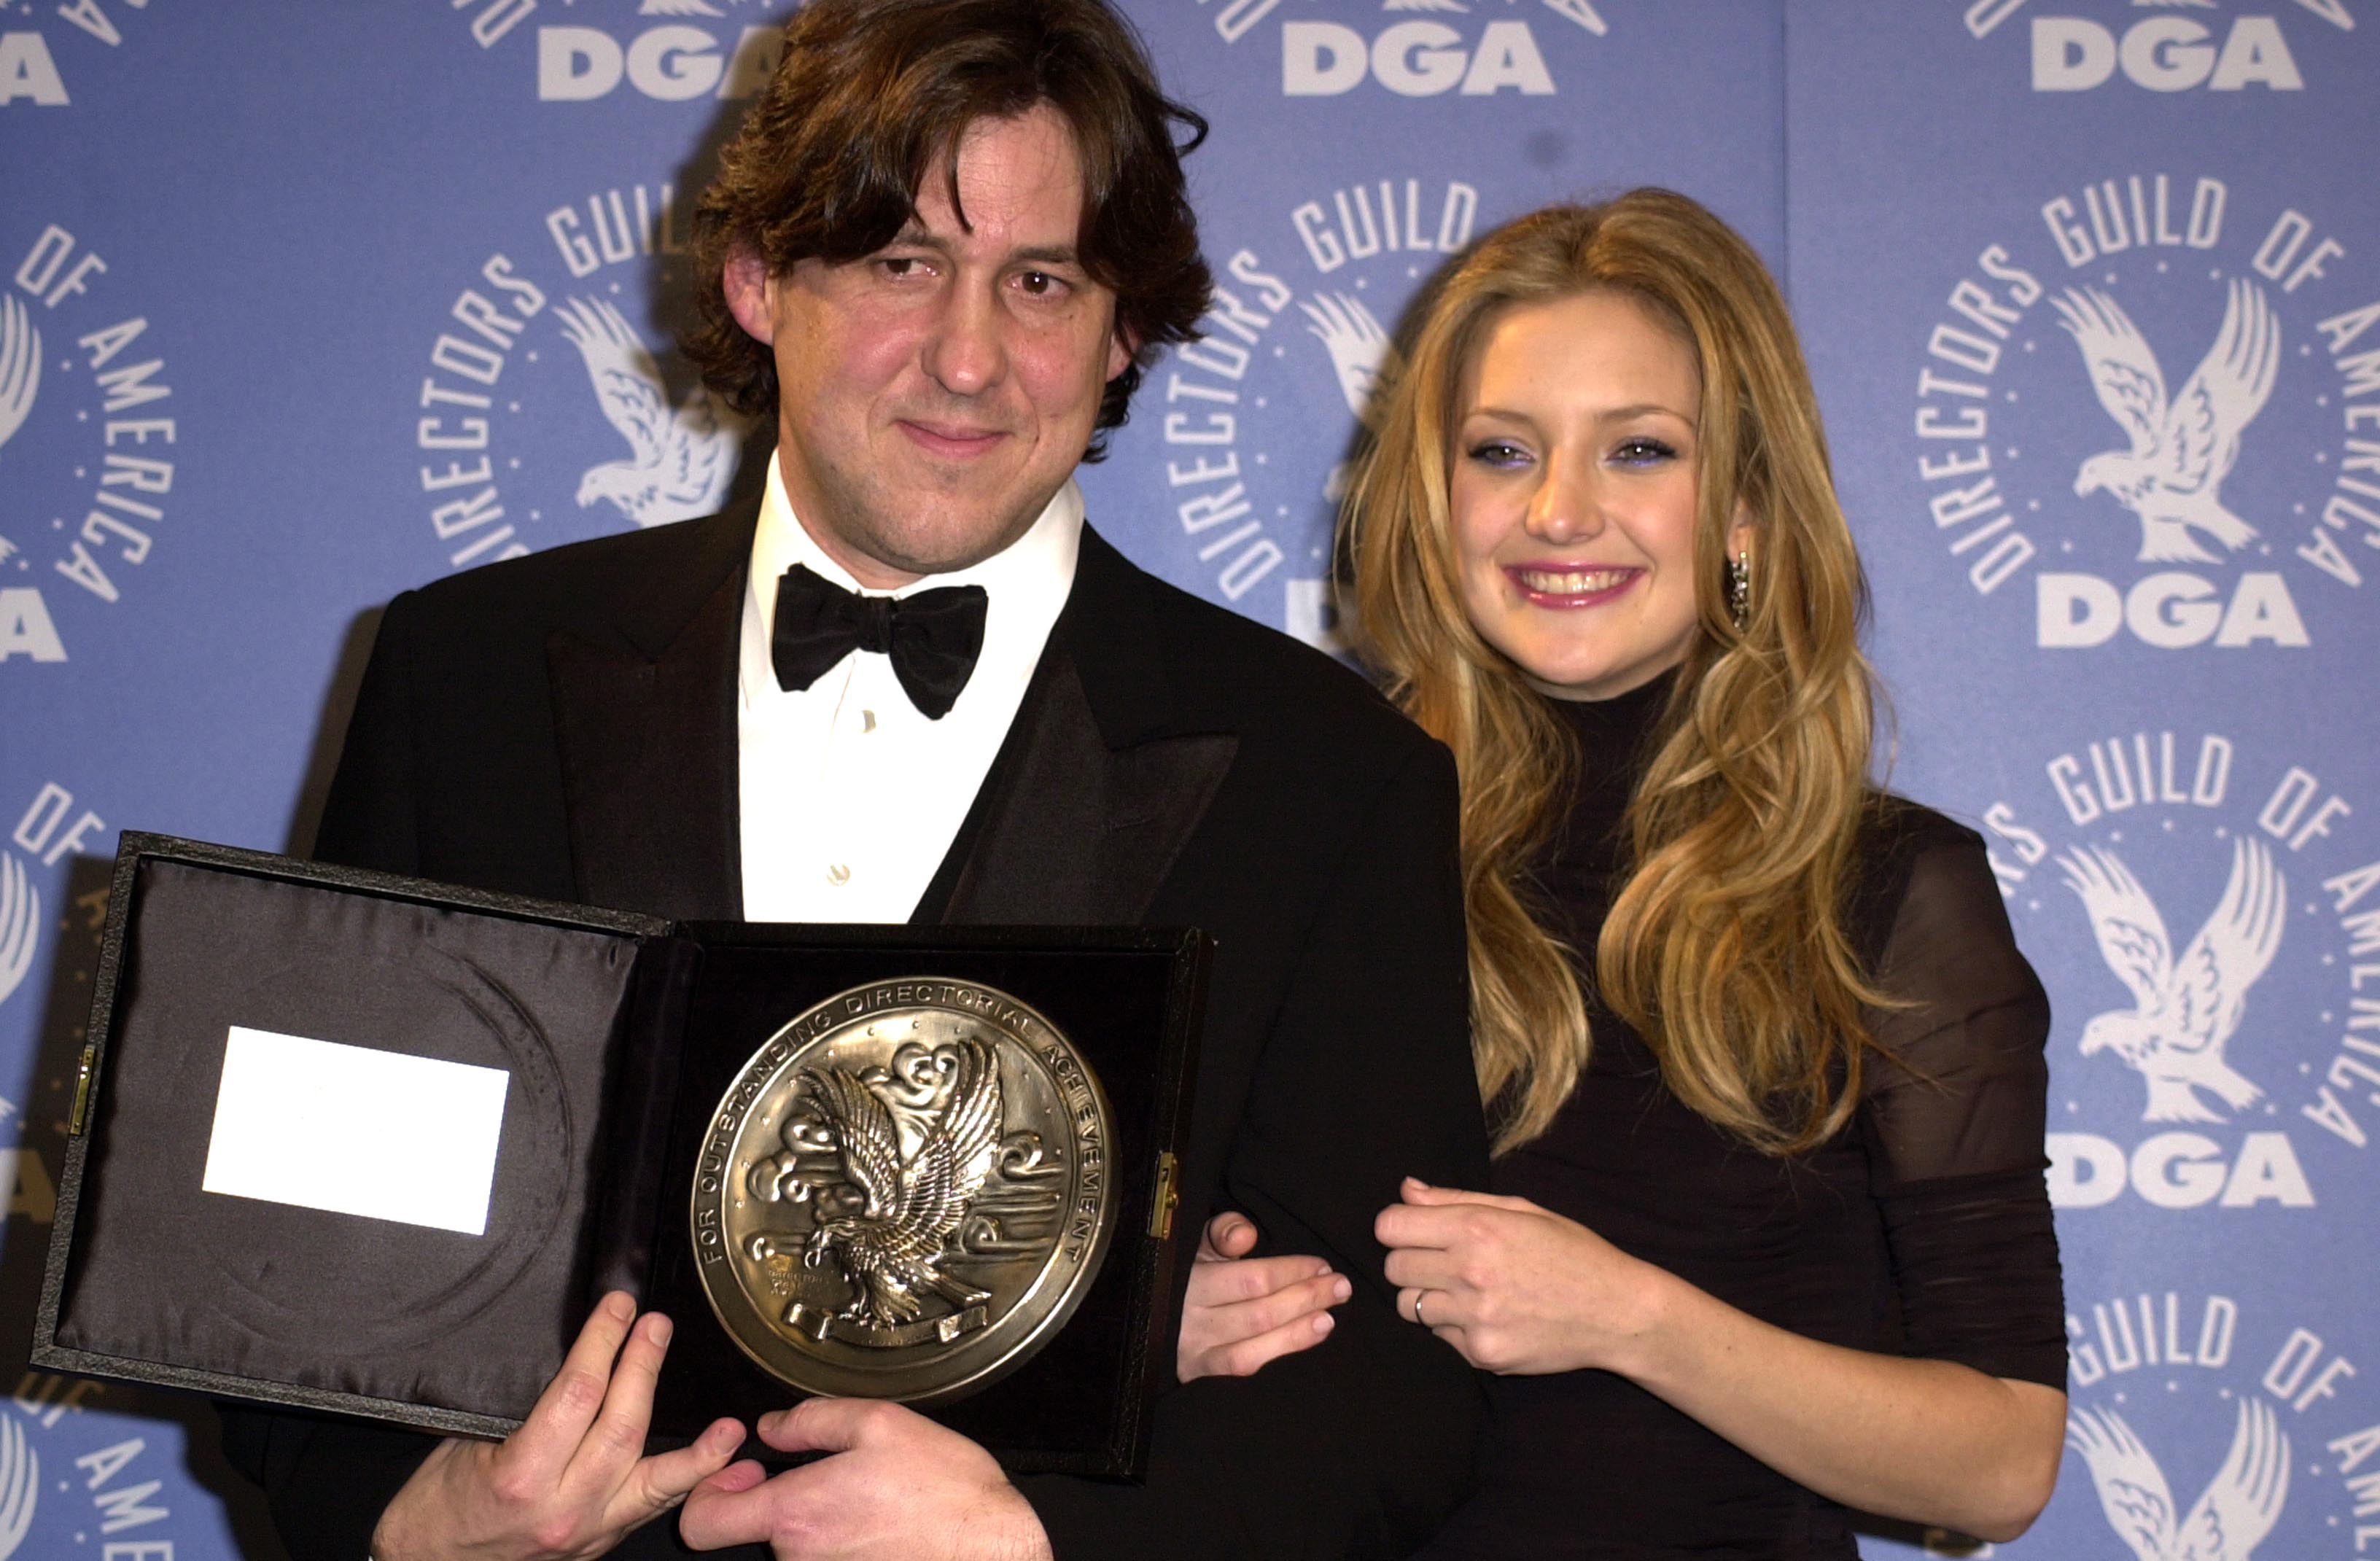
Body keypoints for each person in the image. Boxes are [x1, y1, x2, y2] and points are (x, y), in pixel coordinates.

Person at [216, 1, 1488, 1556]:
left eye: (1040, 281)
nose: (968, 357)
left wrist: (1030, 1542)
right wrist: (413, 1520)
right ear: (760, 281)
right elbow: (307, 1245)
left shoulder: (1330, 778)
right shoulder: (465, 676)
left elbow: (1388, 1395)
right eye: (900, 265)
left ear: (1123, 331)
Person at [1213, 189, 2069, 1557]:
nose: (1560, 512)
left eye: (1639, 450)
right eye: (1504, 450)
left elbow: (2002, 1463)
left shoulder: (1885, 893)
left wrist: (1632, 1317)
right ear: (1436, 500)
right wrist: (1172, 1322)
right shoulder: (1299, 845)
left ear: (1744, 510)